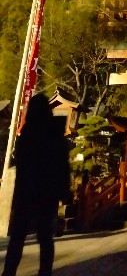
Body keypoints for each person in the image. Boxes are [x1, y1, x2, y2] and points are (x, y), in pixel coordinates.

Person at [2, 93, 71, 276]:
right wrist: (64, 192)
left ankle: (9, 272)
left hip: (26, 192)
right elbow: (63, 166)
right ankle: (45, 272)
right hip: (47, 193)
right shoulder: (56, 136)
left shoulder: (27, 135)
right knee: (45, 237)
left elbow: (23, 167)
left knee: (18, 237)